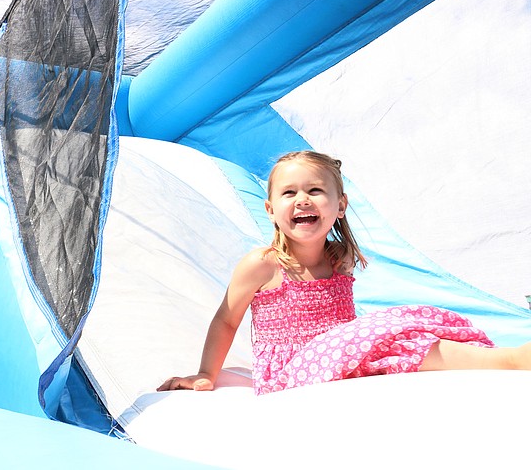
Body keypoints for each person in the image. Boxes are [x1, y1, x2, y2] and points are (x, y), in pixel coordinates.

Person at [158, 150, 531, 395]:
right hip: (292, 371)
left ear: (340, 206)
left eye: (315, 190)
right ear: (271, 209)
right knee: (390, 324)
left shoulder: (339, 259)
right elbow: (226, 319)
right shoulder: (265, 264)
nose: (302, 200)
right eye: (289, 193)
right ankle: (513, 360)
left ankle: (506, 359)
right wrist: (205, 373)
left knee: (403, 342)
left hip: (343, 355)